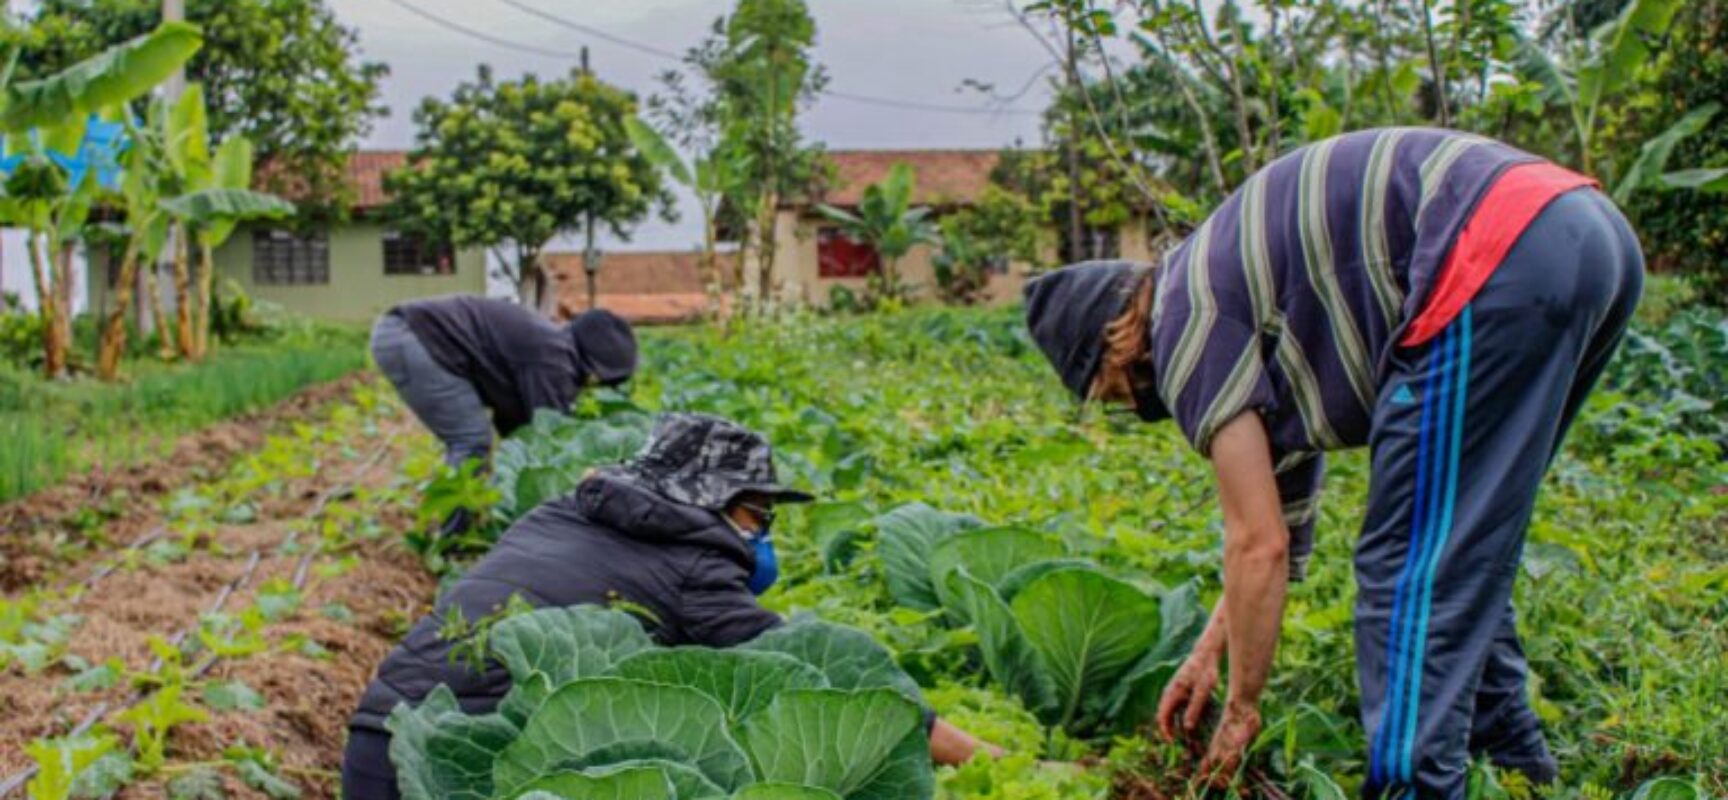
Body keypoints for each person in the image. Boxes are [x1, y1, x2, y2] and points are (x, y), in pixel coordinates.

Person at [1023, 128, 1643, 798]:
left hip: (1498, 250)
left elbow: (1256, 545)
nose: (1125, 403)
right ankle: (1523, 769)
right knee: (1457, 543)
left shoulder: (1184, 321)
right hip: (1584, 233)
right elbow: (1277, 538)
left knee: (1407, 563)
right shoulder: (1236, 308)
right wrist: (1209, 654)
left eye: (1108, 391)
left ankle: (1415, 790)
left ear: (1114, 343)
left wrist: (1241, 710)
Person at [341, 413, 995, 799]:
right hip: (467, 775)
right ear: (712, 500)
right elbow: (837, 682)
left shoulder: (557, 515)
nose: (763, 533)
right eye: (758, 513)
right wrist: (994, 762)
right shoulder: (694, 570)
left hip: (382, 745)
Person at [369, 294, 638, 471]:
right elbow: (549, 436)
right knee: (470, 440)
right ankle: (455, 543)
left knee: (473, 441)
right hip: (414, 338)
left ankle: (464, 524)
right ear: (594, 369)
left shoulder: (552, 346)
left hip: (405, 332)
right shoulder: (555, 358)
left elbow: (514, 427)